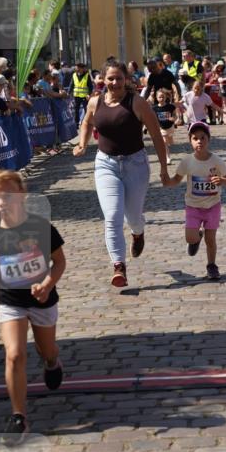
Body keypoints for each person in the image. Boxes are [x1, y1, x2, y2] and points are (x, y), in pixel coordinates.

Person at [0, 167, 65, 443]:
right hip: (11, 301)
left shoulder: (41, 227)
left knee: (46, 350)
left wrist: (48, 284)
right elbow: (3, 260)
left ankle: (52, 362)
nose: (1, 203)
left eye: (6, 196)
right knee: (14, 354)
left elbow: (59, 261)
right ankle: (19, 418)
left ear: (22, 195)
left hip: (42, 300)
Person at [73, 60, 168, 289]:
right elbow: (86, 122)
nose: (114, 83)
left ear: (126, 80)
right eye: (110, 78)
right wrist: (82, 144)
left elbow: (156, 135)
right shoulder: (95, 102)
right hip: (106, 165)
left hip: (135, 164)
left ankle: (138, 233)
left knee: (133, 216)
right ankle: (119, 266)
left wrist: (164, 167)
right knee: (112, 217)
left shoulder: (138, 103)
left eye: (119, 78)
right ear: (103, 80)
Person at [163, 121, 226, 281]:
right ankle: (197, 237)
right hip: (193, 206)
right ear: (190, 141)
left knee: (211, 239)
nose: (199, 141)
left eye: (203, 138)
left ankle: (212, 265)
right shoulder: (187, 161)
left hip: (212, 205)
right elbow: (176, 179)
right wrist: (167, 181)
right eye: (195, 138)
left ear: (209, 140)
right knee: (190, 238)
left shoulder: (216, 160)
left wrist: (221, 180)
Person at [152, 87, 177, 164]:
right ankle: (168, 158)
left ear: (166, 97)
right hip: (161, 128)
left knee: (170, 141)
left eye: (163, 97)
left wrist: (174, 118)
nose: (161, 98)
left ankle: (170, 139)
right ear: (156, 98)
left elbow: (175, 114)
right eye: (160, 97)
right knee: (164, 142)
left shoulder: (170, 106)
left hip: (170, 127)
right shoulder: (154, 108)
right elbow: (152, 118)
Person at [67, 61, 94, 127]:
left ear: (82, 68)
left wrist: (89, 94)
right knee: (76, 109)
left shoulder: (87, 76)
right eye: (76, 68)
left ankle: (88, 122)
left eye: (78, 68)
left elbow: (90, 86)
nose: (77, 69)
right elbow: (71, 84)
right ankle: (76, 123)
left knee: (86, 109)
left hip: (85, 96)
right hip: (76, 96)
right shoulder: (74, 75)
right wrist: (68, 92)